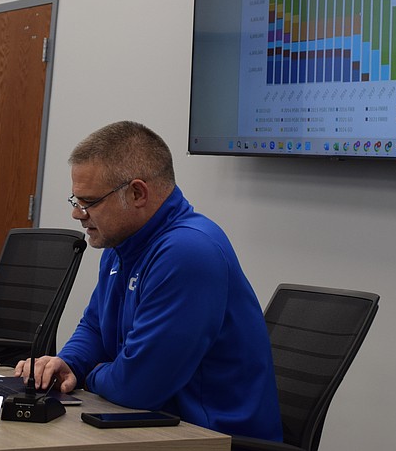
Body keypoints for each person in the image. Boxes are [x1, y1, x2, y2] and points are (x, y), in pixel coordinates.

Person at [15, 121, 282, 441]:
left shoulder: (188, 253)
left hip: (211, 439)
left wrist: (93, 374)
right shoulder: (122, 244)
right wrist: (70, 363)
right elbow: (96, 327)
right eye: (76, 201)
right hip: (156, 428)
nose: (78, 214)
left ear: (137, 193)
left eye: (89, 202)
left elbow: (136, 387)